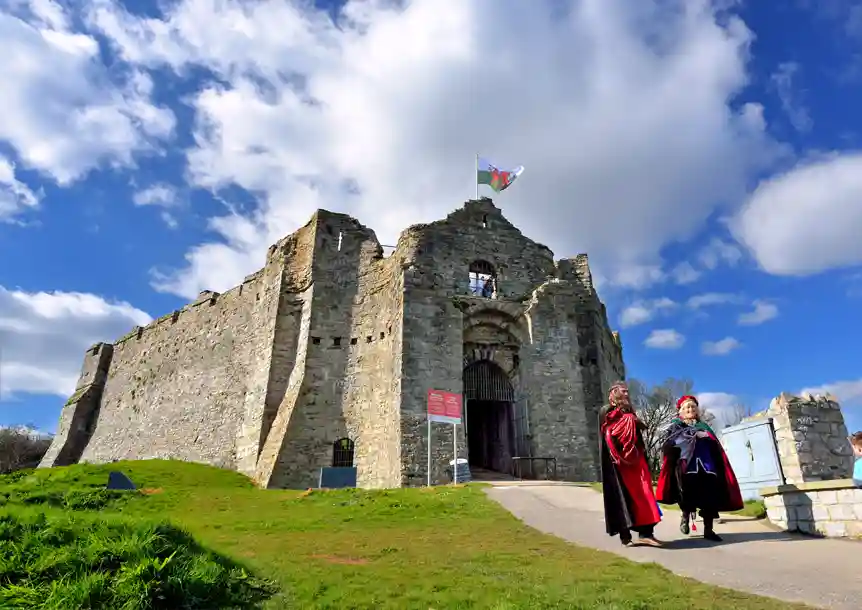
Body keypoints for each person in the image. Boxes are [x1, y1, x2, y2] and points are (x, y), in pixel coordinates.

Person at [656, 395, 743, 542]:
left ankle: (708, 530)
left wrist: (707, 437)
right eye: (687, 407)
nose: (690, 409)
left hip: (707, 466)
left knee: (710, 497)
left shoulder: (704, 426)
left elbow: (715, 445)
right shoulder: (676, 426)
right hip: (686, 466)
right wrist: (692, 435)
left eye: (693, 407)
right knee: (685, 494)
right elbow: (669, 444)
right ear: (681, 411)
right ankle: (685, 516)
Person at [598, 381, 663, 547]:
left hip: (636, 459)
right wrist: (628, 421)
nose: (626, 394)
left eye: (627, 391)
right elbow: (608, 432)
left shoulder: (630, 411)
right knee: (622, 495)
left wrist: (632, 420)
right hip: (620, 463)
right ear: (613, 393)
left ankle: (646, 533)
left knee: (645, 493)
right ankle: (625, 535)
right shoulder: (606, 410)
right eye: (623, 391)